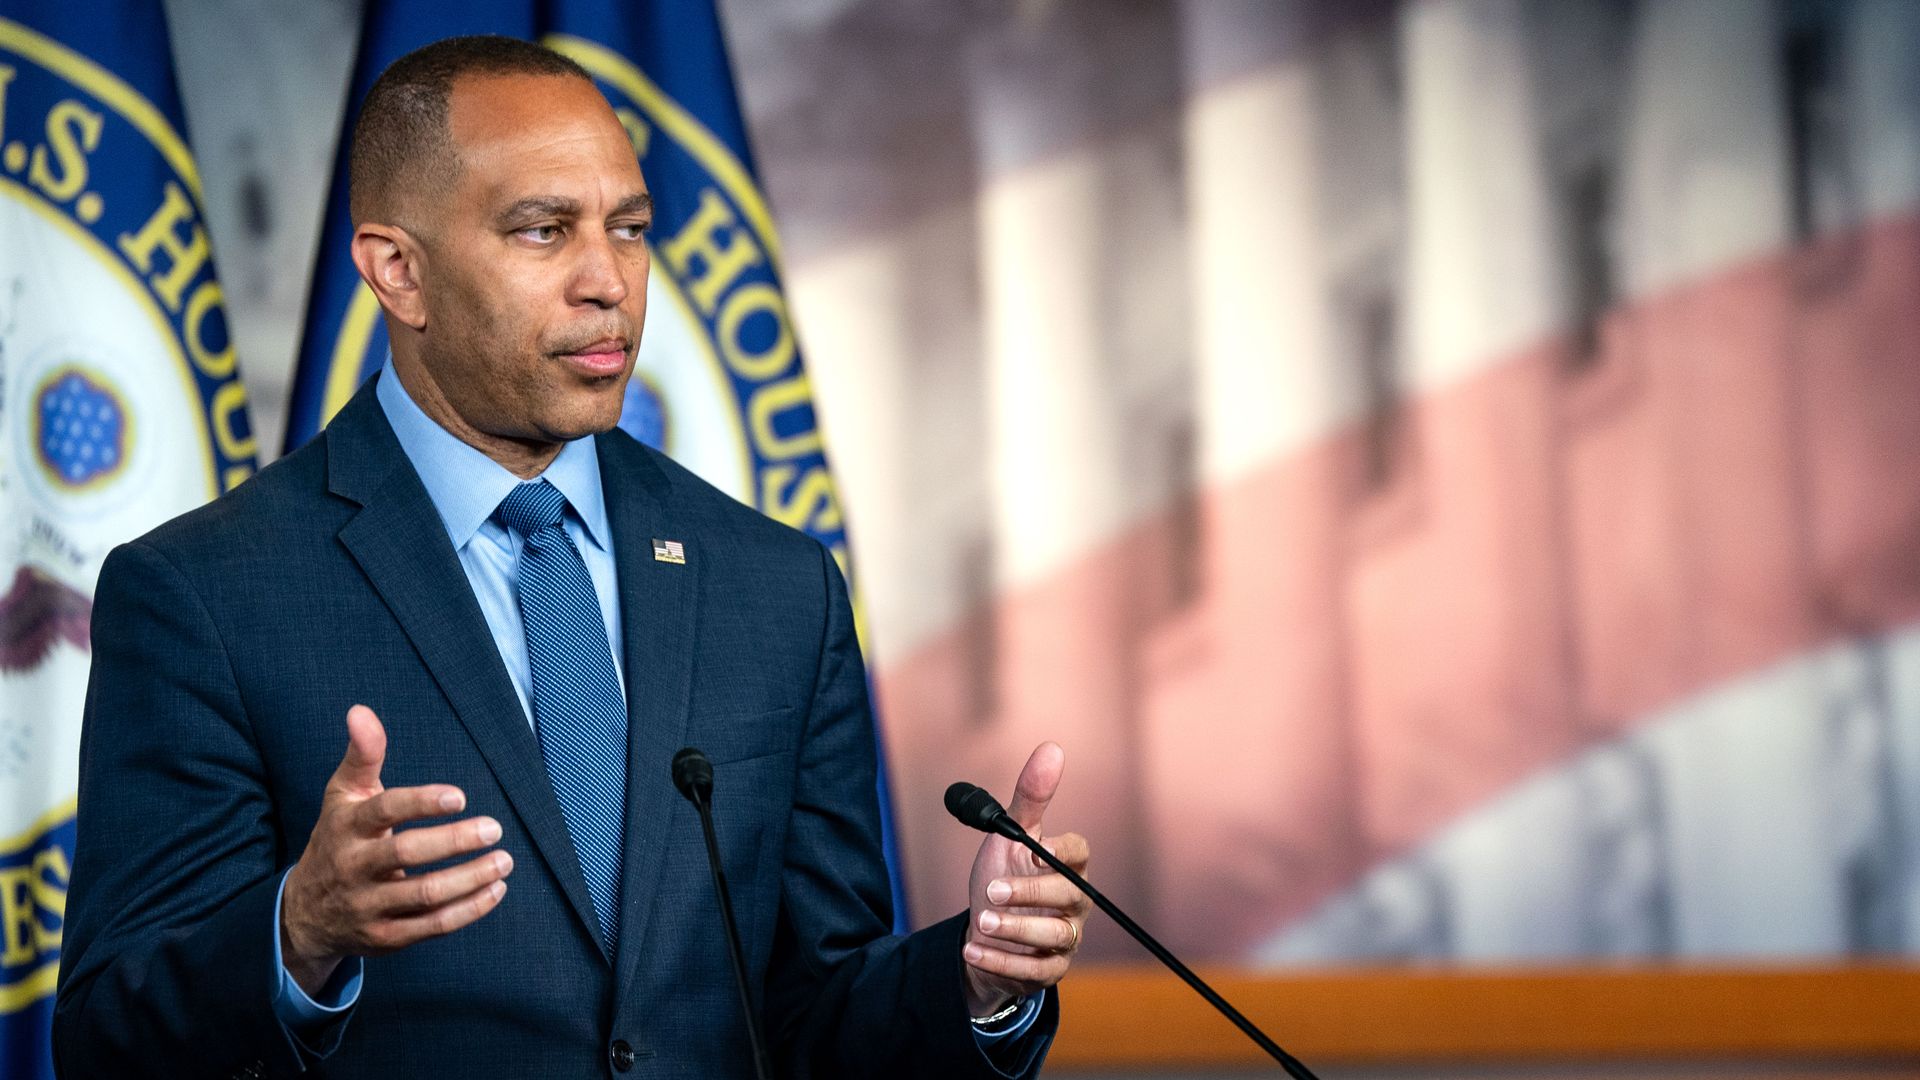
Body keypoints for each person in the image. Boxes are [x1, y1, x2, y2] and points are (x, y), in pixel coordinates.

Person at [54, 36, 1090, 1079]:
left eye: (630, 229)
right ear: (398, 272)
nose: (609, 283)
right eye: (543, 231)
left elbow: (812, 1011)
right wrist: (300, 935)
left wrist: (975, 982)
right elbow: (110, 1037)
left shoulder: (775, 588)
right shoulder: (208, 593)